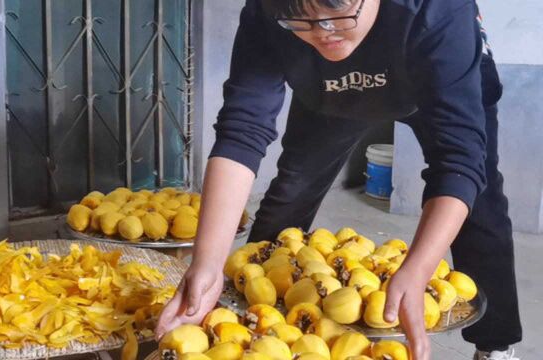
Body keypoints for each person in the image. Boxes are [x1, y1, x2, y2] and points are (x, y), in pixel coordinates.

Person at [155, 0, 522, 359]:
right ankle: (264, 328)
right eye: (301, 21)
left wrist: (419, 269)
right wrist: (207, 262)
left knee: (479, 204)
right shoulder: (268, 11)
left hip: (432, 84)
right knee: (290, 195)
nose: (323, 32)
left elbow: (458, 158)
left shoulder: (438, 10)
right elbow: (241, 132)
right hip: (332, 95)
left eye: (336, 12)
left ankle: (495, 344)